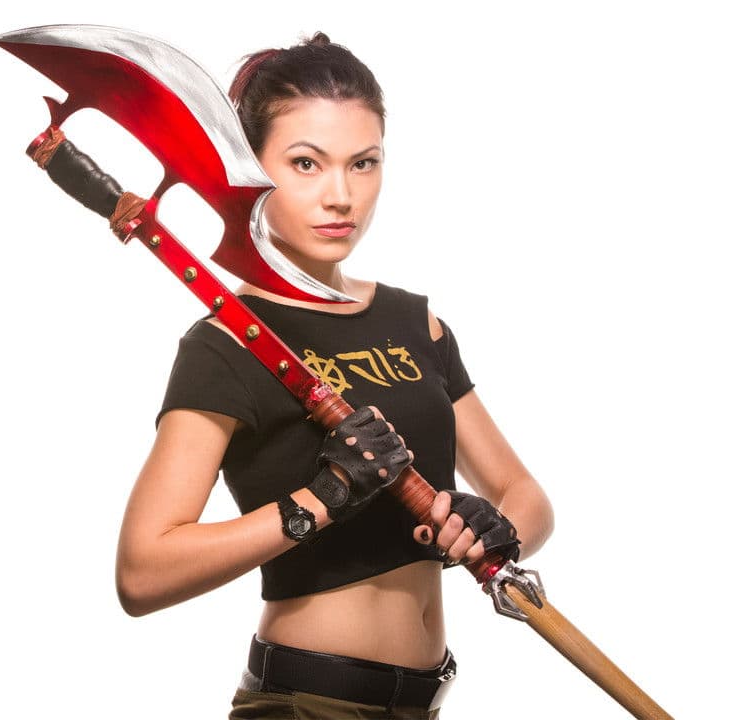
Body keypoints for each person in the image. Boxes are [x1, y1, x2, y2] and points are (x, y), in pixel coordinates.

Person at [115, 32, 554, 719]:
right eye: (306, 163)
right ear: (251, 170)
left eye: (363, 163)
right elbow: (143, 572)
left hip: (424, 703)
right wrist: (322, 497)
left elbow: (525, 494)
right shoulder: (228, 344)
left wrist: (496, 526)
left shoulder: (417, 323)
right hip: (305, 704)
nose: (341, 196)